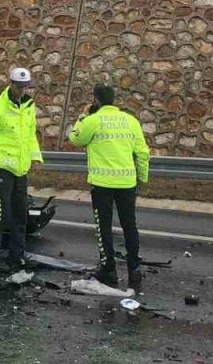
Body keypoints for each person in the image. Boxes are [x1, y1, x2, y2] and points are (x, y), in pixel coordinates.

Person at [67, 85, 150, 291]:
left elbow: (75, 138)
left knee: (103, 227)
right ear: (114, 100)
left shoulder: (93, 121)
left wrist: (82, 115)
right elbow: (142, 152)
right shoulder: (131, 121)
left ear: (95, 100)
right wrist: (142, 178)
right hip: (127, 183)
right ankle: (134, 269)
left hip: (102, 184)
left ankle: (109, 270)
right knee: (129, 226)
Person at [0, 67, 43, 272]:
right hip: (2, 168)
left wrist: (35, 156)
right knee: (0, 213)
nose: (22, 91)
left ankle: (17, 255)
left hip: (21, 169)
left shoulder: (29, 106)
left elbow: (30, 135)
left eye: (25, 87)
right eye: (18, 87)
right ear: (10, 84)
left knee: (20, 214)